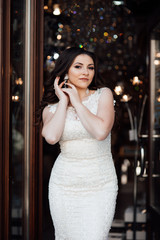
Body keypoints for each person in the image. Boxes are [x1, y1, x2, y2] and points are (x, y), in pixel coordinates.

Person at [41, 47, 118, 240]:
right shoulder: (51, 108)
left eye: (90, 68)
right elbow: (51, 137)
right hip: (64, 185)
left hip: (100, 184)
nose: (86, 72)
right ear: (65, 71)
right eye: (78, 66)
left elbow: (100, 132)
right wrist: (63, 101)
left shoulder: (103, 95)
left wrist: (77, 102)